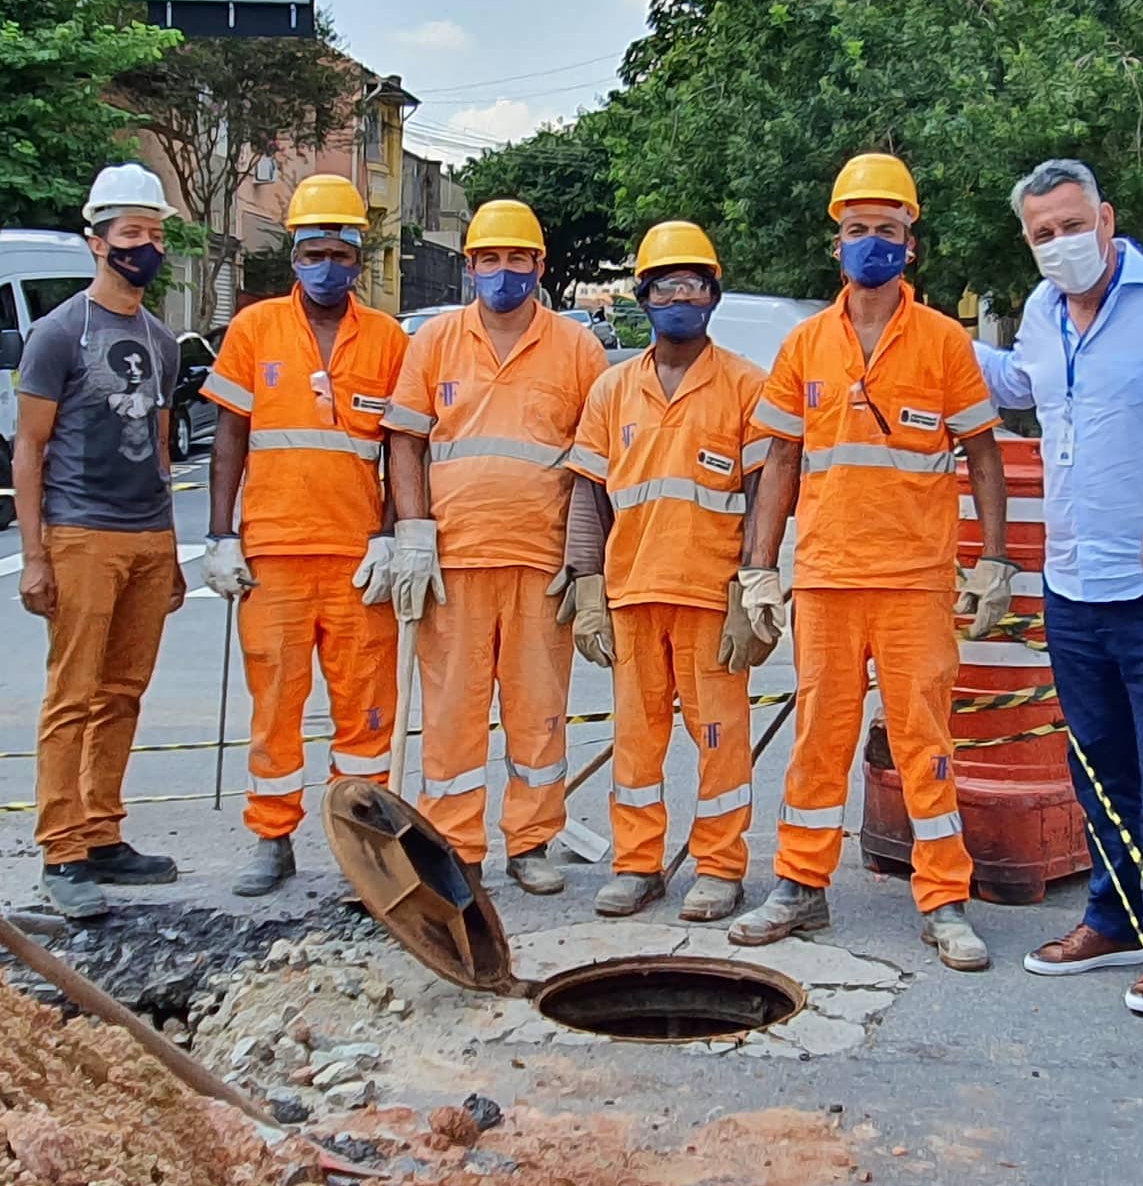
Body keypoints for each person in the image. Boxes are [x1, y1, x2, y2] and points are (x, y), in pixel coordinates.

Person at [728, 153, 1011, 971]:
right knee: (820, 734)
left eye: (888, 230)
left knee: (925, 739)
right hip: (825, 574)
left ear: (911, 244)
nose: (872, 244)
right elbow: (779, 461)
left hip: (917, 578)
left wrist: (993, 562)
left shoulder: (944, 342)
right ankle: (800, 885)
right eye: (858, 230)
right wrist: (759, 566)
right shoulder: (806, 345)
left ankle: (943, 898)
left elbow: (983, 456)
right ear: (837, 243)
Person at [975, 159, 1143, 1015]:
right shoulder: (1045, 315)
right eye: (1042, 233)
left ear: (1106, 217)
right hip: (1073, 580)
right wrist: (932, 340)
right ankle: (1113, 915)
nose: (1060, 243)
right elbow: (1020, 388)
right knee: (1095, 765)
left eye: (1071, 224)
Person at [383, 199, 608, 893]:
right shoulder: (437, 342)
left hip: (541, 566)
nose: (503, 272)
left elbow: (595, 465)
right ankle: (455, 845)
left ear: (539, 267)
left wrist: (585, 563)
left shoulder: (577, 349)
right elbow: (406, 441)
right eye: (490, 260)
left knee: (537, 713)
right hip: (454, 561)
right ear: (471, 266)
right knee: (451, 715)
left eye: (517, 259)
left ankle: (531, 842)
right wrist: (413, 533)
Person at [200, 175, 408, 895]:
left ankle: (366, 847)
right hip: (274, 555)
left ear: (357, 256)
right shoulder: (255, 328)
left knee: (366, 717)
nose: (326, 265)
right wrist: (220, 535)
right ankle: (272, 834)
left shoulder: (387, 339)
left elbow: (402, 451)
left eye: (338, 253)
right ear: (294, 254)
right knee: (276, 709)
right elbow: (229, 437)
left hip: (356, 559)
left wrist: (392, 535)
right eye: (312, 251)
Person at [565, 221, 774, 922]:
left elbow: (766, 497)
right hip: (631, 594)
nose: (678, 296)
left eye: (691, 284)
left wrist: (757, 586)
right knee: (636, 739)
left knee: (720, 742)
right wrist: (586, 584)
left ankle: (719, 867)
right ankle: (637, 863)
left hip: (712, 598)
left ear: (712, 294)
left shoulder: (747, 387)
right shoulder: (612, 390)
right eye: (664, 285)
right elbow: (588, 494)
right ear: (643, 297)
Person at [14, 163, 186, 919]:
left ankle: (104, 831)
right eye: (130, 235)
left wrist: (171, 548)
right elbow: (29, 448)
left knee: (123, 693)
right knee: (72, 697)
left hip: (146, 534)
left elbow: (157, 447)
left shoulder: (158, 338)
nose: (144, 247)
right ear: (98, 242)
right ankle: (61, 849)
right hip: (81, 532)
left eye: (153, 234)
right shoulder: (59, 334)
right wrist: (36, 553)